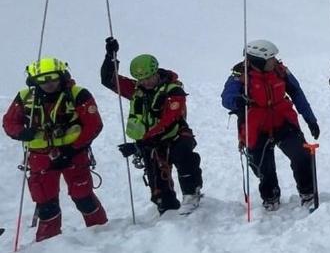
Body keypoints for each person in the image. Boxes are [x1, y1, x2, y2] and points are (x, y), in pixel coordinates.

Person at [3, 58, 107, 241]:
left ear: (61, 76)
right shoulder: (26, 97)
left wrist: (72, 149)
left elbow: (94, 124)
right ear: (34, 80)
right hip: (40, 157)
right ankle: (48, 243)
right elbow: (9, 122)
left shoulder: (78, 94)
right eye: (42, 80)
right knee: (45, 203)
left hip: (74, 155)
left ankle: (102, 234)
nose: (48, 84)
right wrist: (22, 132)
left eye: (52, 78)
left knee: (83, 197)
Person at [101, 38, 203, 215]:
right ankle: (167, 209)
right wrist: (111, 56)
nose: (145, 82)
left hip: (175, 136)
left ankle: (191, 194)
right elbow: (109, 80)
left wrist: (139, 145)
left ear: (156, 73)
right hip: (150, 143)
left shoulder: (173, 90)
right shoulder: (136, 90)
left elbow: (168, 121)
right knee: (158, 185)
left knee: (184, 157)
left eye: (149, 77)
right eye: (141, 78)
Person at [221, 40, 319, 211]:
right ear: (258, 61)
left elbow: (297, 93)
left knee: (302, 155)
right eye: (270, 58)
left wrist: (310, 119)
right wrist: (237, 100)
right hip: (256, 126)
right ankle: (270, 196)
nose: (275, 61)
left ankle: (308, 192)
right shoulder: (240, 75)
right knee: (263, 168)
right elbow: (226, 97)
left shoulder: (280, 71)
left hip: (283, 121)